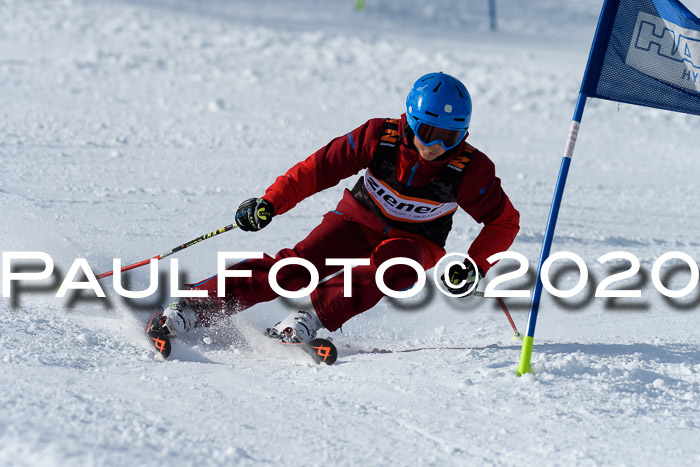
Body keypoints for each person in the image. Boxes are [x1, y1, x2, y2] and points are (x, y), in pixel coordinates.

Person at [150, 72, 520, 344]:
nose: (436, 147)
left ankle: (308, 319)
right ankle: (194, 305)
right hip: (357, 219)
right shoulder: (380, 136)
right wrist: (271, 202)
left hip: (415, 241)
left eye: (450, 137)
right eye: (428, 132)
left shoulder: (470, 169)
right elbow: (317, 170)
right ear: (410, 119)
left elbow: (503, 221)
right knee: (296, 268)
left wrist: (475, 264)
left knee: (396, 268)